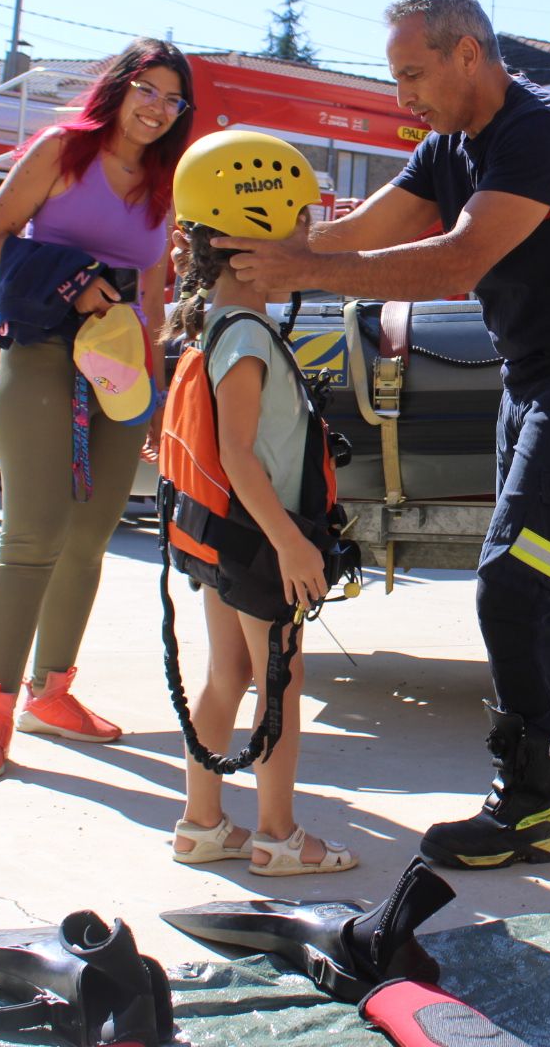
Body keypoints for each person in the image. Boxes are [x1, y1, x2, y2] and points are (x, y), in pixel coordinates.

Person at [215, 0, 550, 870]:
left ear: (468, 54)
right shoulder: (448, 147)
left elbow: (455, 258)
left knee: (516, 586)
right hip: (533, 378)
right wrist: (260, 258)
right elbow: (368, 231)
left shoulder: (544, 132)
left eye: (413, 73)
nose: (402, 95)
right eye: (396, 77)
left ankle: (529, 809)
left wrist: (303, 266)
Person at [0, 38, 193, 778]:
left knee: (91, 538)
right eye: (146, 90)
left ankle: (51, 694)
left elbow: (155, 296)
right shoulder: (63, 150)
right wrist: (74, 280)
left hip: (121, 373)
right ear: (119, 88)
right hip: (40, 355)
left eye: (172, 98)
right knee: (32, 536)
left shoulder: (164, 183)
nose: (157, 108)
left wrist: (156, 397)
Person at [161, 139, 357, 876]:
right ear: (254, 236)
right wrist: (293, 546)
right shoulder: (244, 337)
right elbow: (241, 455)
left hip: (225, 540)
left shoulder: (220, 322)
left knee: (228, 676)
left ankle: (202, 825)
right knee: (280, 683)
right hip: (260, 539)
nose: (311, 237)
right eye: (302, 224)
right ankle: (279, 836)